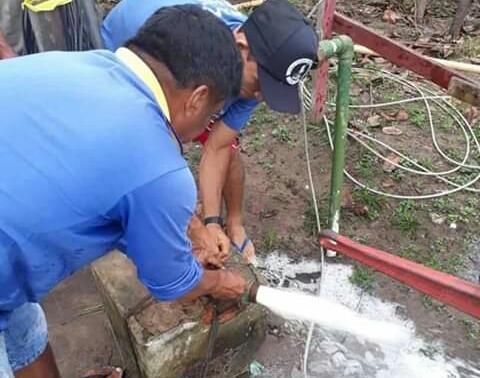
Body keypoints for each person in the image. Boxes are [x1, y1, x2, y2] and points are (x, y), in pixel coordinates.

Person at [0, 5, 246, 377]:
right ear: (196, 98)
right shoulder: (159, 166)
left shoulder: (83, 65)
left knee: (23, 323)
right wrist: (218, 281)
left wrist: (188, 232)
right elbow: (170, 284)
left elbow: (99, 190)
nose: (204, 127)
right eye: (210, 114)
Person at [102, 0, 320, 263]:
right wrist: (191, 226)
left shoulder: (255, 67)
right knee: (140, 153)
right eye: (261, 83)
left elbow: (218, 145)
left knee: (228, 150)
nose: (261, 96)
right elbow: (156, 152)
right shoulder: (180, 50)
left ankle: (234, 224)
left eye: (273, 88)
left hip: (204, 74)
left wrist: (212, 222)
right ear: (241, 47)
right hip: (128, 49)